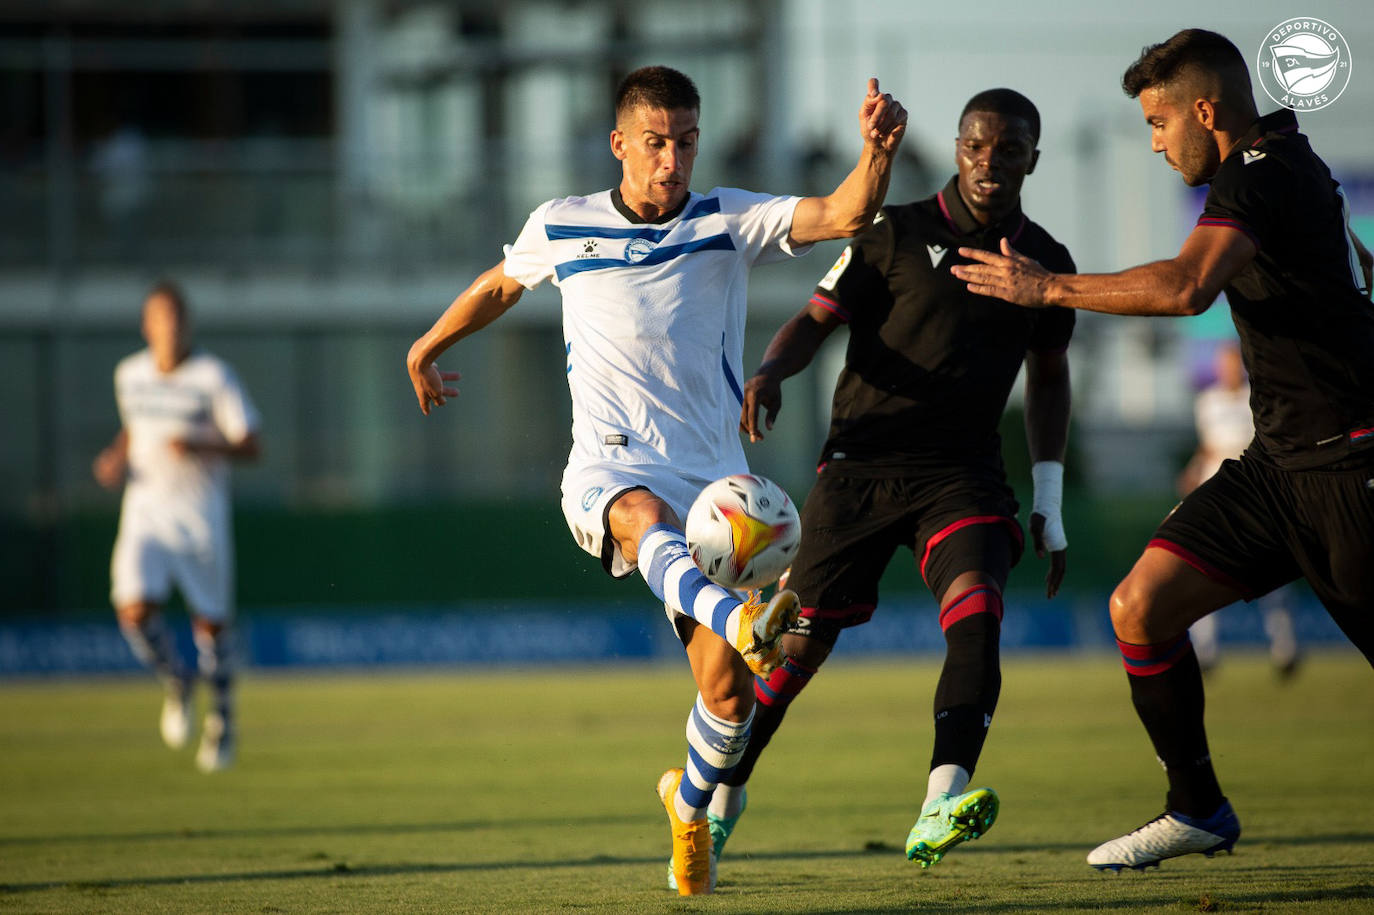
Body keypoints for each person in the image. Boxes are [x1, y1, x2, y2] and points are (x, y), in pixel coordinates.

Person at [404, 66, 907, 895]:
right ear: (620, 145)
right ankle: (741, 622)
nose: (673, 159)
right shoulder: (562, 224)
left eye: (685, 141)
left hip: (717, 488)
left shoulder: (727, 218)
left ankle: (693, 807)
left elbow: (844, 213)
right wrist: (428, 346)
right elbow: (499, 285)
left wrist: (875, 151)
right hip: (610, 467)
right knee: (645, 522)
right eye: (656, 143)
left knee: (730, 695)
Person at [950, 29, 1374, 871]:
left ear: (1205, 111)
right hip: (1277, 468)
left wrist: (1047, 288)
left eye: (1157, 122)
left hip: (1350, 466)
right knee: (1141, 606)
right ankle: (1197, 807)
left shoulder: (1263, 173)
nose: (1152, 143)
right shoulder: (1284, 166)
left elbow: (1187, 288)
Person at [727, 88, 1075, 871]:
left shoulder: (1047, 262)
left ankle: (940, 800)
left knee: (978, 612)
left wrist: (1048, 498)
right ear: (957, 147)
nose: (990, 163)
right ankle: (723, 792)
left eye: (1009, 149)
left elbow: (1049, 378)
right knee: (792, 645)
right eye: (977, 145)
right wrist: (773, 370)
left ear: (1032, 159)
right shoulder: (893, 230)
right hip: (860, 467)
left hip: (963, 475)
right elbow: (815, 318)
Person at [93, 281, 262, 773]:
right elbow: (135, 426)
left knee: (212, 628)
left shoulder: (214, 377)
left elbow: (252, 444)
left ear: (188, 323)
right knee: (133, 612)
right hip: (145, 513)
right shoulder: (129, 375)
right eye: (161, 317)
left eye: (178, 317)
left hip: (199, 517)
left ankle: (223, 720)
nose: (170, 327)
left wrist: (201, 447)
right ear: (147, 325)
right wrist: (115, 457)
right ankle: (178, 680)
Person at [1180, 340, 1298, 677]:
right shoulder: (1207, 402)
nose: (1228, 370)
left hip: (1254, 493)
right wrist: (1193, 469)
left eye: (1233, 363)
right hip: (1213, 493)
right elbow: (1209, 446)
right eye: (1223, 364)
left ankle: (1284, 648)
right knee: (1200, 567)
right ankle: (1206, 652)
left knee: (1273, 573)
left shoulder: (1257, 399)